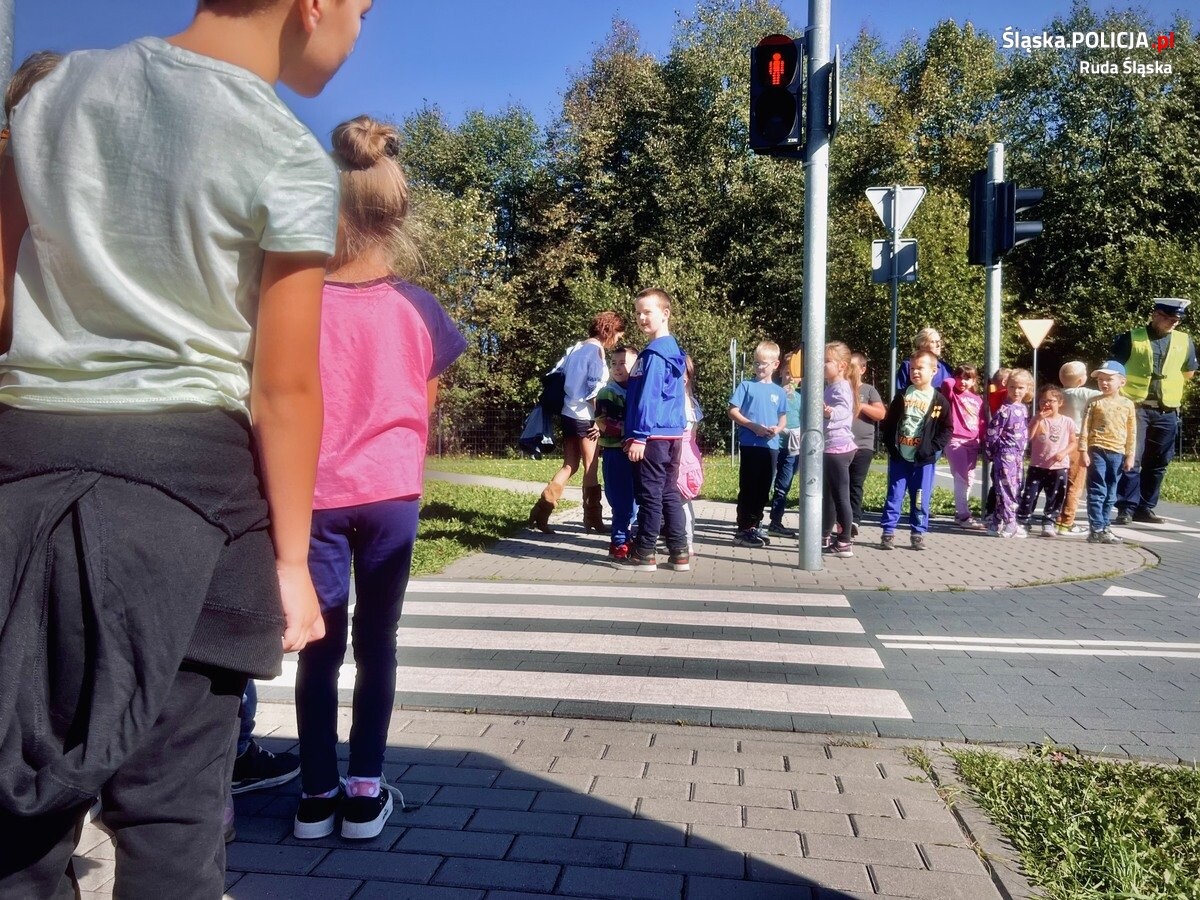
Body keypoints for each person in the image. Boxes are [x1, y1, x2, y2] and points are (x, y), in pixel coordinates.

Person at [0, 0, 371, 894]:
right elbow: (282, 389)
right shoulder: (284, 152)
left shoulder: (47, 97)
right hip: (193, 507)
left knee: (15, 828)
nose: (359, 31)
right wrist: (291, 563)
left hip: (24, 484)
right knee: (174, 827)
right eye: (362, 8)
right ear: (311, 4)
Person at [293, 116, 466, 842]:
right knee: (379, 639)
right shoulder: (418, 308)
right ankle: (366, 792)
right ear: (396, 215)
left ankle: (313, 795)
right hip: (391, 494)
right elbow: (424, 401)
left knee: (320, 645)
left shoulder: (297, 302)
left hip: (317, 494)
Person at [528, 310, 625, 533]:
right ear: (609, 330)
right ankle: (593, 519)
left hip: (567, 413)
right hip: (585, 416)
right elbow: (593, 392)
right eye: (618, 335)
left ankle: (540, 513)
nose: (618, 340)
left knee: (569, 465)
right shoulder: (596, 352)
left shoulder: (576, 348)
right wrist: (600, 420)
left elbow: (557, 375)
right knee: (590, 468)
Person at [619, 288, 688, 571]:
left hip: (653, 436)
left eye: (648, 311)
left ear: (665, 313)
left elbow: (649, 398)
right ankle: (679, 550)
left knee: (650, 494)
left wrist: (639, 436)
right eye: (637, 313)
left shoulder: (655, 355)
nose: (641, 318)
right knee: (669, 492)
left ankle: (645, 551)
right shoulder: (674, 352)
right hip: (672, 434)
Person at [1111, 297, 1197, 525]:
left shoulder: (1184, 340)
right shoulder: (1130, 338)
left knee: (1159, 461)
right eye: (1169, 318)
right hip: (1135, 407)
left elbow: (1189, 372)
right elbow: (1114, 370)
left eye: (1177, 319)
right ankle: (1126, 508)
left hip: (1167, 409)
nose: (1173, 323)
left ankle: (1145, 507)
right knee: (1132, 459)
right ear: (1156, 314)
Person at [879, 350, 952, 550]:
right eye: (912, 368)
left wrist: (933, 448)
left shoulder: (939, 400)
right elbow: (889, 422)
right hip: (900, 456)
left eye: (920, 368)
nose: (915, 372)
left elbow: (947, 429)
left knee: (920, 496)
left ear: (933, 371)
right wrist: (890, 445)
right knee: (895, 494)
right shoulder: (902, 395)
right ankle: (888, 532)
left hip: (923, 460)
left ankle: (918, 532)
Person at [729, 341, 788, 548]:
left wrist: (777, 429)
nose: (759, 367)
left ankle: (755, 523)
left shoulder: (779, 392)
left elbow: (783, 419)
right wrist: (753, 426)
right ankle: (743, 528)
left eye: (764, 363)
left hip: (771, 446)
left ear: (775, 364)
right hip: (750, 444)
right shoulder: (746, 386)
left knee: (764, 488)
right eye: (756, 363)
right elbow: (733, 411)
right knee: (749, 486)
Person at [1081, 361, 1137, 544]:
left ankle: (1105, 526)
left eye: (1109, 380)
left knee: (1112, 490)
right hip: (1097, 449)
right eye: (1101, 380)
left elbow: (1132, 431)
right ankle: (1096, 527)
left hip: (1118, 452)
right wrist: (1083, 450)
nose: (1104, 383)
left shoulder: (1128, 404)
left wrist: (1130, 455)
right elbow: (1085, 427)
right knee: (1098, 489)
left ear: (1122, 382)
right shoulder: (1094, 402)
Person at [595, 345, 639, 559]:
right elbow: (602, 422)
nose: (618, 368)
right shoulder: (608, 392)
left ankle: (628, 535)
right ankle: (619, 542)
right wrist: (627, 432)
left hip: (637, 453)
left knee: (635, 499)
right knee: (620, 499)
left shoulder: (638, 390)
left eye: (623, 363)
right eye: (614, 363)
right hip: (615, 452)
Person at [1017, 384, 1077, 536]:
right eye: (1043, 401)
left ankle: (1049, 522)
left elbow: (1073, 442)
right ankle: (1023, 520)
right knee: (1030, 494)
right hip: (1037, 465)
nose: (1046, 404)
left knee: (1056, 496)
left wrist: (1064, 452)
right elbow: (1028, 437)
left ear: (1060, 403)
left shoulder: (1067, 421)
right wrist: (1037, 420)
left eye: (1051, 401)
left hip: (1058, 466)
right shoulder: (1037, 419)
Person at [985, 369, 1034, 538]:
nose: (1016, 391)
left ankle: (996, 523)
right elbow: (992, 433)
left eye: (1021, 387)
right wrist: (991, 452)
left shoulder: (1022, 408)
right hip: (1005, 455)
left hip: (1017, 455)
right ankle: (1010, 522)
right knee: (1007, 489)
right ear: (1007, 387)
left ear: (1028, 388)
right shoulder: (1004, 410)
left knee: (1013, 486)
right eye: (1013, 387)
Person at [822, 342, 860, 558]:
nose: (822, 365)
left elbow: (844, 410)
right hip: (831, 446)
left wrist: (829, 413)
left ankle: (844, 541)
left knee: (840, 497)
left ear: (842, 366)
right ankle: (826, 534)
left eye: (827, 361)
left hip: (838, 447)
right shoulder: (831, 386)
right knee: (829, 495)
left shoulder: (841, 386)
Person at [1055, 361, 1101, 535]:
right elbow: (1106, 394)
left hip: (1057, 441)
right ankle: (1067, 522)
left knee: (1060, 481)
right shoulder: (1085, 393)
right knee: (1076, 482)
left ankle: (1054, 517)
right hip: (1076, 441)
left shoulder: (1057, 393)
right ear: (1082, 380)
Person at [941, 364, 986, 529]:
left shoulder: (977, 399)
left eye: (967, 378)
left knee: (970, 478)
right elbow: (946, 382)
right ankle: (964, 515)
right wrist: (956, 379)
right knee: (961, 477)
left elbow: (981, 422)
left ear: (974, 381)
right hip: (955, 440)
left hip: (972, 442)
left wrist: (982, 440)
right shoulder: (953, 394)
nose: (962, 381)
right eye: (959, 377)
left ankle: (960, 513)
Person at [847, 352, 886, 535]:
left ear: (863, 369)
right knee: (840, 484)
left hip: (863, 446)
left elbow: (881, 414)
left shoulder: (869, 390)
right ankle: (840, 519)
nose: (849, 371)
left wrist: (861, 405)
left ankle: (854, 520)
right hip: (840, 446)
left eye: (853, 367)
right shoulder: (839, 387)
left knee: (856, 483)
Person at [767, 365, 803, 536]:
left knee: (784, 485)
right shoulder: (773, 394)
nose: (790, 378)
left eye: (795, 375)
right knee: (765, 482)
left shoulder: (801, 398)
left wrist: (797, 432)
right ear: (780, 372)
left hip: (792, 448)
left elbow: (805, 421)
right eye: (788, 373)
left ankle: (776, 522)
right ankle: (754, 521)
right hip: (772, 445)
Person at [678, 354, 705, 554]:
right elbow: (693, 435)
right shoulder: (693, 403)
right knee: (683, 501)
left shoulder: (677, 403)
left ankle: (684, 541)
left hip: (679, 455)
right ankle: (686, 540)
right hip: (690, 454)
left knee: (679, 501)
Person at [894, 327, 953, 392]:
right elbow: (901, 395)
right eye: (933, 342)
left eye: (939, 341)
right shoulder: (908, 365)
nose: (938, 345)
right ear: (921, 345)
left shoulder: (946, 368)